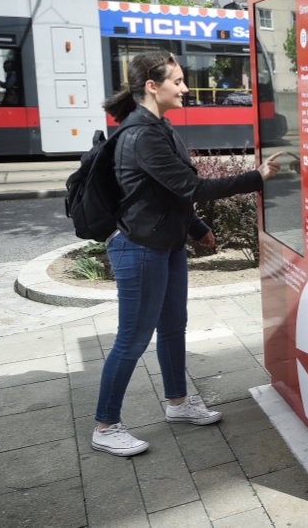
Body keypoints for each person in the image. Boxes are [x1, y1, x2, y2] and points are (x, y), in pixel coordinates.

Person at [92, 51, 282, 457]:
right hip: (139, 247)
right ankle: (106, 425)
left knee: (173, 327)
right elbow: (191, 187)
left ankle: (178, 404)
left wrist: (196, 228)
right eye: (177, 81)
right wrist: (257, 176)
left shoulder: (160, 126)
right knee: (133, 338)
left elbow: (168, 191)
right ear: (151, 86)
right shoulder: (142, 134)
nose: (185, 88)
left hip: (166, 243)